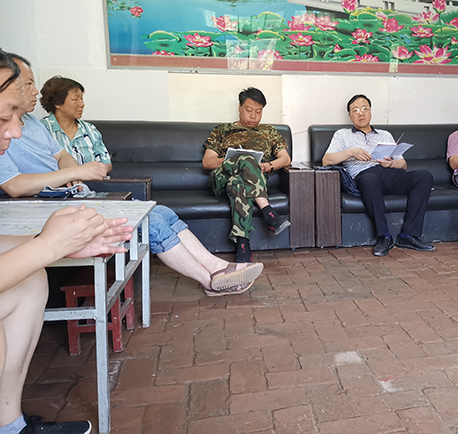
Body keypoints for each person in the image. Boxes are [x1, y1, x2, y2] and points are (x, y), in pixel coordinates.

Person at [1, 57, 262, 297]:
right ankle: (210, 280)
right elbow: (13, 185)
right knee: (153, 223)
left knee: (162, 212)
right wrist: (75, 172)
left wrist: (71, 175)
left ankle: (217, 267)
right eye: (28, 84)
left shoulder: (32, 124)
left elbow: (61, 156)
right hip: (50, 205)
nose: (36, 91)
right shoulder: (9, 130)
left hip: (75, 196)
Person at [0, 50, 136, 434]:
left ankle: (9, 425)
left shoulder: (48, 130)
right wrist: (47, 246)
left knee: (29, 278)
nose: (16, 131)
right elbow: (16, 185)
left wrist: (54, 244)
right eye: (5, 117)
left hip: (72, 196)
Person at [322, 94, 435, 257]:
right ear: (349, 116)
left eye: (364, 109)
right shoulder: (342, 135)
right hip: (365, 176)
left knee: (424, 176)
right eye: (355, 110)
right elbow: (326, 160)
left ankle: (408, 235)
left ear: (370, 111)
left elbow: (403, 164)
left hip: (390, 174)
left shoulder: (384, 134)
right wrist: (351, 152)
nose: (361, 113)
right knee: (370, 178)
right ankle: (384, 236)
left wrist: (391, 163)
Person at [202, 87, 291, 263]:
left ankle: (243, 246)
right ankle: (268, 211)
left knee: (237, 182)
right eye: (249, 110)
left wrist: (268, 166)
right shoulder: (222, 130)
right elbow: (207, 162)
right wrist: (236, 159)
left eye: (258, 112)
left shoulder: (269, 131)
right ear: (239, 107)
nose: (253, 116)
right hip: (221, 178)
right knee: (245, 160)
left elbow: (285, 158)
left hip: (247, 182)